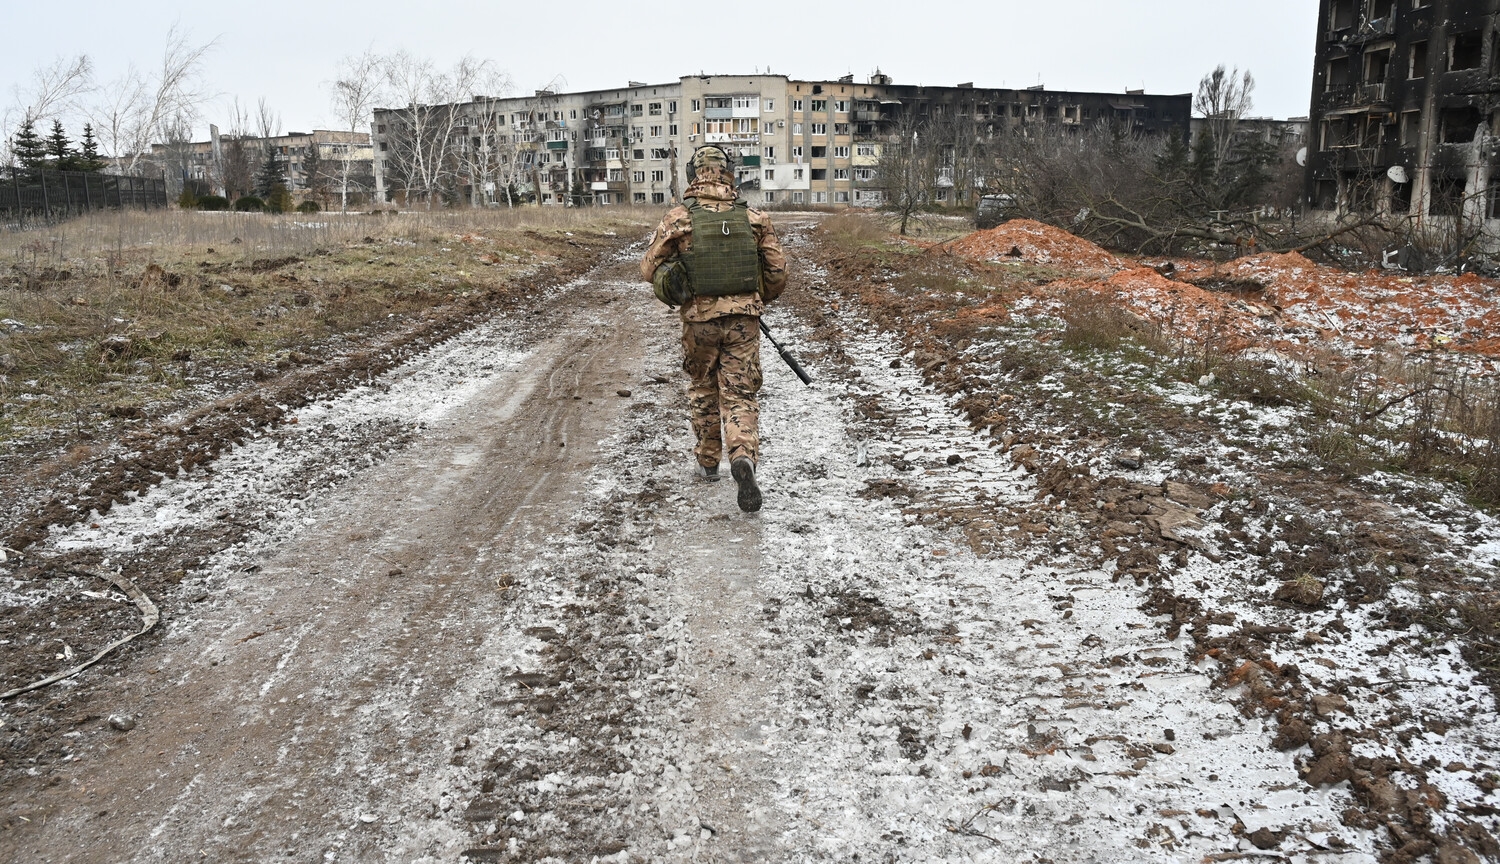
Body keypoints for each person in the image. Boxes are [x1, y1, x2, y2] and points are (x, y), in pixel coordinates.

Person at [639, 145, 787, 513]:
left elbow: (647, 269)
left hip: (698, 321)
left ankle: (708, 463)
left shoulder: (678, 218)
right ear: (729, 172)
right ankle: (743, 456)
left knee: (703, 386)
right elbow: (778, 273)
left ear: (693, 173)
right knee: (740, 393)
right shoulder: (754, 217)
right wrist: (755, 300)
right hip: (744, 321)